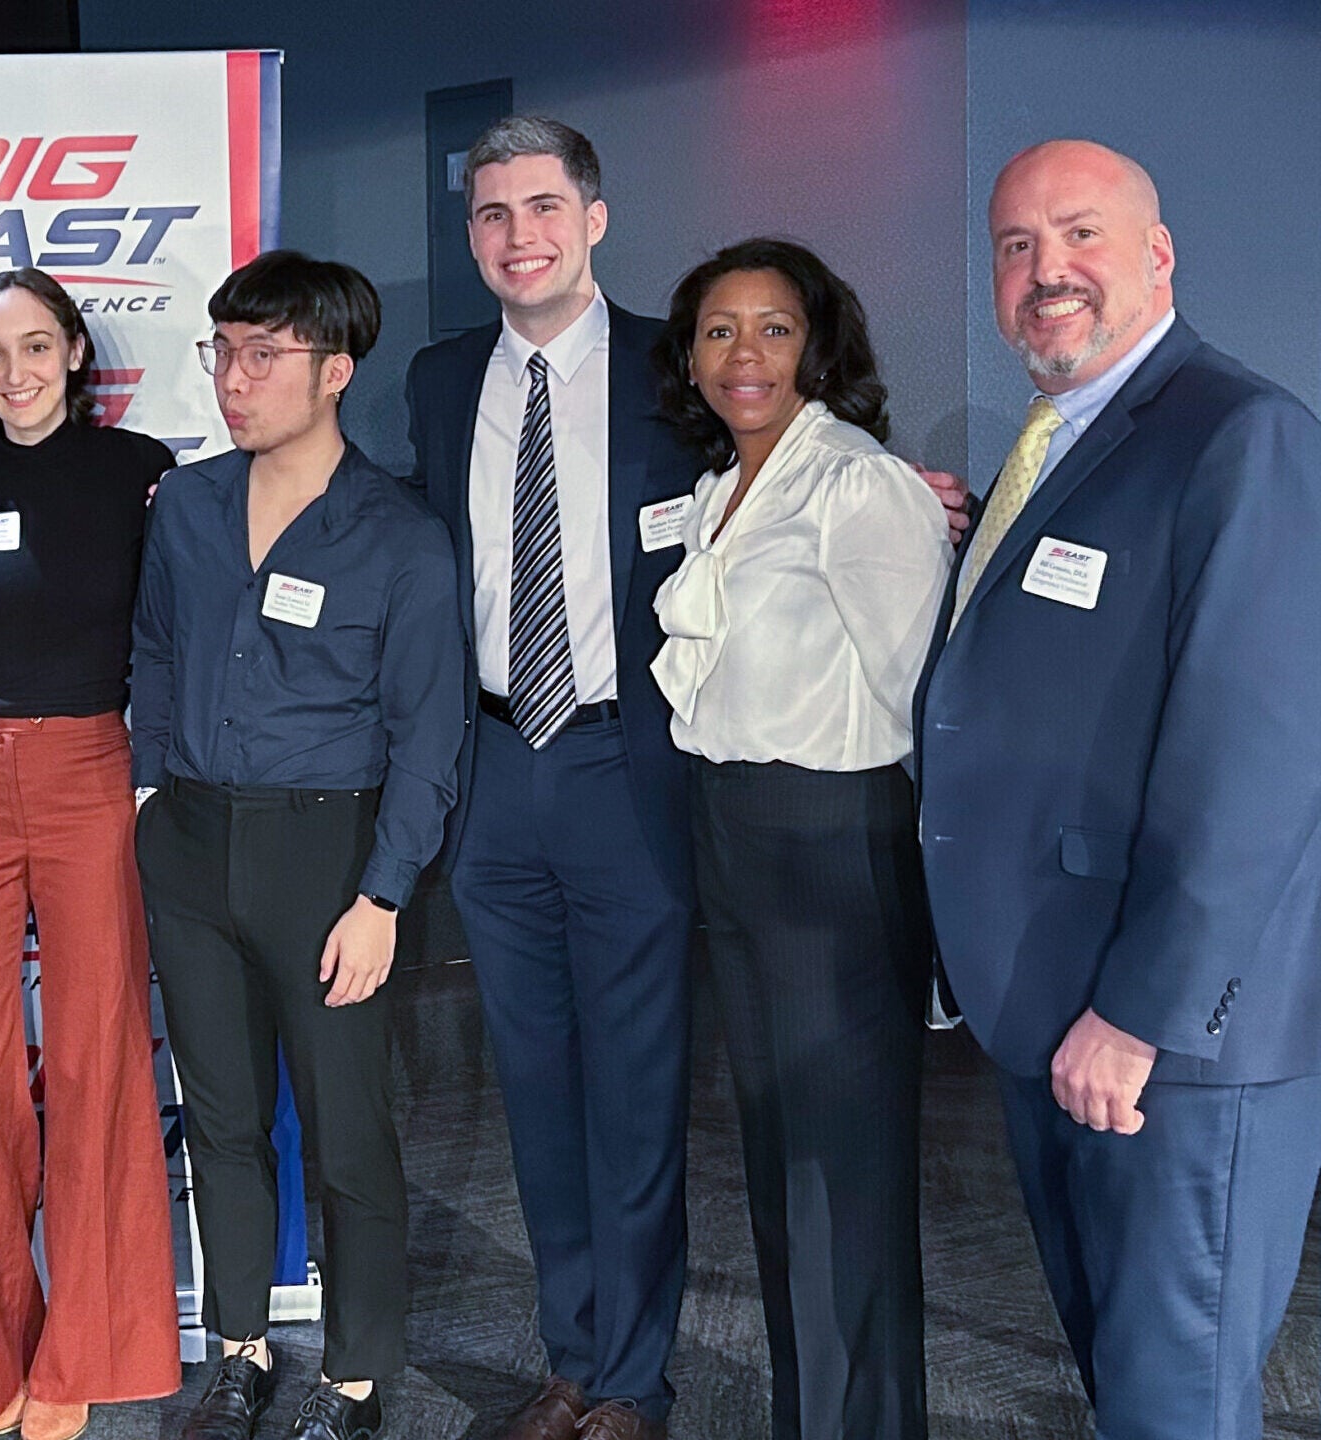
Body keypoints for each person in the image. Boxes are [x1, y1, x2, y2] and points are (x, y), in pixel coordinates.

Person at [401, 117, 967, 1440]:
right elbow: (404, 532)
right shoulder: (436, 384)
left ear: (594, 217)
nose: (518, 235)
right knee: (532, 1087)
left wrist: (918, 495)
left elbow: (789, 485)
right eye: (491, 214)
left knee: (639, 1087)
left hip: (632, 768)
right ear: (471, 234)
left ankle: (638, 1378)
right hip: (497, 769)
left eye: (544, 206)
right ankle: (570, 1352)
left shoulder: (680, 367)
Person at [918, 139, 1321, 1440]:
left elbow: (1259, 764)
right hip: (1057, 1015)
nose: (1049, 273)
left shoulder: (1240, 434)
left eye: (1081, 236)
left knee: (1176, 1399)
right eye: (1018, 247)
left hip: (1174, 1047)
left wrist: (1140, 1014)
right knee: (1127, 1382)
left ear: (1157, 255)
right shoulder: (1061, 442)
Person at [135, 250, 463, 1440]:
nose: (233, 378)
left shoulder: (399, 538)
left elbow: (430, 737)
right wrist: (142, 799)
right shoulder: (189, 505)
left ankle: (357, 1375)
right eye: (221, 351)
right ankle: (237, 1349)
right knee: (219, 1122)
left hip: (327, 860)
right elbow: (158, 655)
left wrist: (382, 900)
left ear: (333, 371)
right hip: (188, 844)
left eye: (260, 355)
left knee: (346, 1132)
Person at [646, 239, 949, 1440]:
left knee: (844, 1175)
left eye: (773, 328)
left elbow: (920, 695)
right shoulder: (721, 486)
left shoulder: (858, 485)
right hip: (734, 833)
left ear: (818, 343)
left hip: (832, 840)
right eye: (719, 330)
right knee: (777, 1167)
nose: (745, 354)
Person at [0, 267, 182, 1440]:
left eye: (34, 346)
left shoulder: (140, 473)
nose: (12, 372)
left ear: (74, 351)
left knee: (95, 1067)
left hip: (91, 773)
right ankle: (2, 1345)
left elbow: (171, 632)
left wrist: (150, 773)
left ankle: (82, 1353)